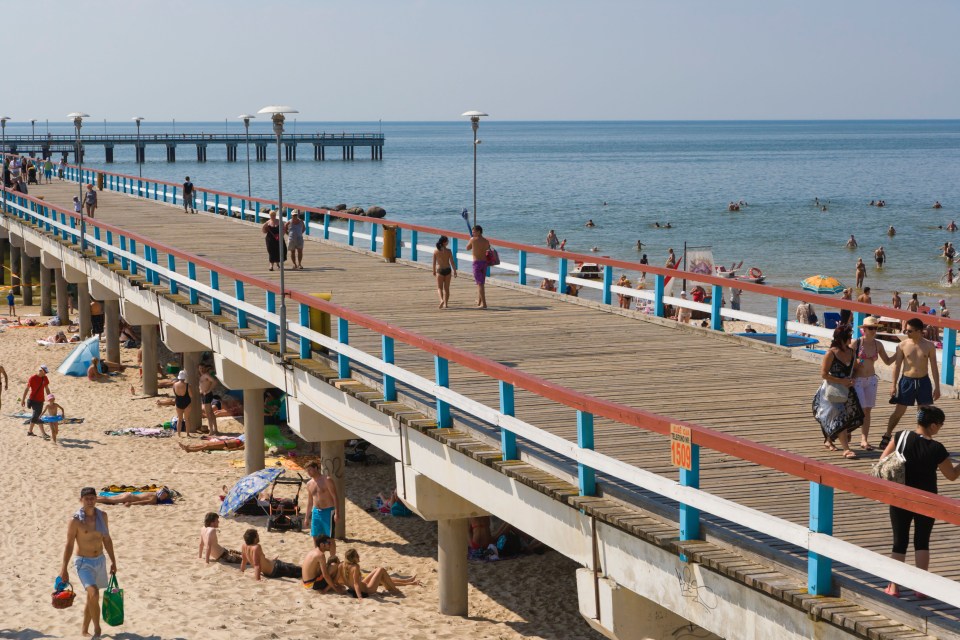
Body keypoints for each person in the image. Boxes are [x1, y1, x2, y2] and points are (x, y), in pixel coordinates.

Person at [880, 406, 960, 598]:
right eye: (940, 425)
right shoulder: (937, 448)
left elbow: (883, 461)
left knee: (899, 542)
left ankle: (893, 586)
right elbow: (951, 476)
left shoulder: (899, 437)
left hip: (900, 496)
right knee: (922, 542)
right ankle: (921, 588)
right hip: (927, 499)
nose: (940, 428)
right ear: (933, 425)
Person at [60, 487, 117, 637]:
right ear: (81, 500)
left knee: (92, 597)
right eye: (87, 499)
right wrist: (64, 568)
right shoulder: (75, 521)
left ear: (96, 499)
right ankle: (97, 628)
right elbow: (69, 544)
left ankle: (84, 630)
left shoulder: (103, 516)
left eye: (92, 498)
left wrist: (113, 561)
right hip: (83, 562)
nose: (90, 501)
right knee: (94, 593)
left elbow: (107, 539)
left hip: (99, 560)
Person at [879, 318, 941, 450]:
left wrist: (937, 387)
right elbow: (897, 366)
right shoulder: (903, 345)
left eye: (909, 331)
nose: (906, 333)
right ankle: (887, 434)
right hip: (907, 381)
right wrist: (893, 385)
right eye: (906, 330)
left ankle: (922, 438)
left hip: (924, 381)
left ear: (919, 331)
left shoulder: (929, 346)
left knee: (924, 413)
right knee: (898, 412)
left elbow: (934, 367)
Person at [812, 324, 863, 459]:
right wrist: (842, 381)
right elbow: (823, 374)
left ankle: (829, 440)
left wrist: (853, 379)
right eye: (849, 337)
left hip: (847, 390)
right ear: (842, 338)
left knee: (851, 416)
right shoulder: (831, 353)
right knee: (837, 418)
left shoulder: (851, 352)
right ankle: (846, 449)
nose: (851, 339)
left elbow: (857, 368)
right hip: (831, 390)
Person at [852, 317, 893, 450]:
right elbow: (846, 361)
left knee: (867, 410)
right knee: (860, 410)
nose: (874, 330)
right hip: (857, 380)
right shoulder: (856, 343)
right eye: (871, 328)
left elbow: (887, 361)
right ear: (864, 329)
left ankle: (864, 439)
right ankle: (846, 431)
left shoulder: (878, 344)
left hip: (871, 380)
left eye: (875, 328)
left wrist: (899, 354)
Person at [336, 548, 418, 600]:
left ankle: (408, 581)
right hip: (368, 589)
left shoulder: (341, 565)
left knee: (377, 571)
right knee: (381, 570)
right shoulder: (355, 567)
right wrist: (360, 597)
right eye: (357, 555)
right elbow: (356, 584)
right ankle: (395, 589)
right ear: (353, 558)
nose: (359, 557)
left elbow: (339, 579)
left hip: (361, 585)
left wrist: (337, 588)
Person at [305, 460, 338, 540]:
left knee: (329, 537)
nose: (308, 472)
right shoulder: (309, 484)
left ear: (316, 468)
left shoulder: (327, 480)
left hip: (328, 511)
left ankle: (332, 553)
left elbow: (335, 497)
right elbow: (310, 502)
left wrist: (337, 513)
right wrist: (306, 517)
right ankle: (317, 552)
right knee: (315, 535)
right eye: (307, 471)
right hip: (316, 511)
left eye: (310, 470)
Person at [21, 364, 51, 438]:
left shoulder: (45, 378)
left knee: (36, 416)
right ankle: (43, 433)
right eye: (44, 372)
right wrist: (23, 399)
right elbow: (27, 389)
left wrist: (49, 398)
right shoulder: (32, 378)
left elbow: (47, 388)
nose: (45, 374)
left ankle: (30, 432)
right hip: (33, 400)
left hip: (41, 400)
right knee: (37, 416)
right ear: (40, 371)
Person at [465, 225, 491, 309]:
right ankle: (480, 301)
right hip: (484, 263)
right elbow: (488, 248)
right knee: (481, 283)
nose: (472, 233)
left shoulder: (473, 240)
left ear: (479, 232)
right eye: (472, 232)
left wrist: (471, 240)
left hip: (477, 263)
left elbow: (467, 248)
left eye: (474, 232)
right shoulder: (486, 241)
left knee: (480, 284)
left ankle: (484, 304)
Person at [432, 235, 456, 309]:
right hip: (448, 270)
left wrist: (433, 271)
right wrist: (455, 271)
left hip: (440, 270)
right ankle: (446, 304)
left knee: (439, 288)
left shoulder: (436, 251)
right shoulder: (449, 251)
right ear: (444, 242)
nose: (448, 242)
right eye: (447, 241)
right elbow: (452, 262)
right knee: (447, 288)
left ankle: (441, 300)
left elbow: (433, 263)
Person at [97, 486, 174, 506]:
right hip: (129, 497)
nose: (163, 497)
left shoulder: (153, 493)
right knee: (109, 500)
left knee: (108, 498)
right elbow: (143, 502)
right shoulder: (154, 498)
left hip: (129, 494)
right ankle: (95, 499)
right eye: (164, 495)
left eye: (165, 496)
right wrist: (131, 504)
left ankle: (95, 498)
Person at [199, 363, 219, 436]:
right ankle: (215, 429)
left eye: (202, 368)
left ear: (205, 368)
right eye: (200, 368)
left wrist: (209, 390)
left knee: (208, 414)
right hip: (204, 395)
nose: (201, 369)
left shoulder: (206, 375)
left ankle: (211, 431)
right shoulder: (202, 376)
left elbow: (214, 381)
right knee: (211, 413)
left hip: (207, 395)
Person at [172, 370, 192, 437]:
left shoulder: (174, 384)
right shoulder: (187, 385)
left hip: (178, 402)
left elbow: (175, 393)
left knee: (179, 419)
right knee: (187, 419)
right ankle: (188, 434)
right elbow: (191, 395)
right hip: (187, 402)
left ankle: (179, 434)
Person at [178, 434, 244, 452]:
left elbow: (242, 447)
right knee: (206, 444)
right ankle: (189, 447)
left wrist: (230, 449)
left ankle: (190, 449)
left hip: (226, 444)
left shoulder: (249, 442)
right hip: (224, 442)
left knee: (207, 446)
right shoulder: (246, 436)